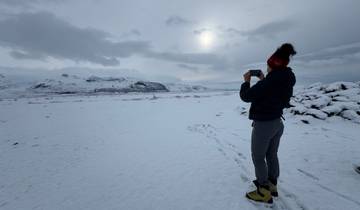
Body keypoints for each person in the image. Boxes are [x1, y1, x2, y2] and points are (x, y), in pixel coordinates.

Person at [240, 43, 296, 204]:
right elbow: (272, 93)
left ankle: (263, 191)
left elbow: (246, 96)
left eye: (268, 65)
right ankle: (272, 185)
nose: (266, 67)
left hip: (264, 124)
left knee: (258, 157)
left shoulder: (271, 81)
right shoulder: (286, 77)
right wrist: (265, 80)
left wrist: (246, 81)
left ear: (273, 65)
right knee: (271, 154)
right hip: (277, 123)